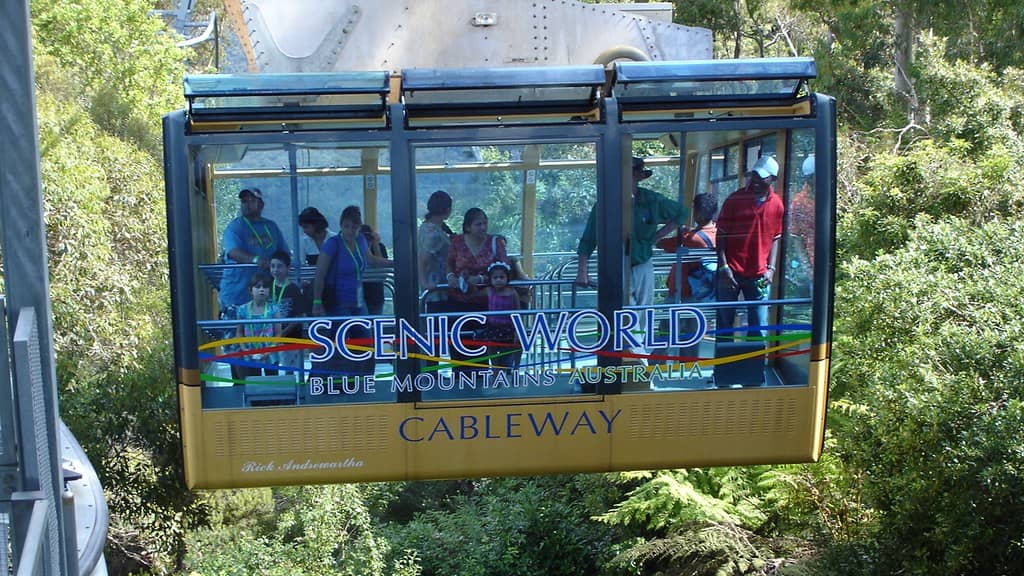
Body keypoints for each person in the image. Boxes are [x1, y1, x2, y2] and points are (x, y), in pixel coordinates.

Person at [575, 156, 688, 360]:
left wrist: (657, 236)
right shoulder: (605, 204)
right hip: (617, 266)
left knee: (643, 312)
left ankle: (636, 357)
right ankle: (636, 359)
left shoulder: (651, 200)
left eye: (633, 174)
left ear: (638, 176)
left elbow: (681, 214)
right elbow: (588, 239)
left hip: (643, 263)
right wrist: (582, 271)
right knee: (626, 312)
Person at [311, 206, 390, 375]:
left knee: (366, 339)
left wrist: (395, 262)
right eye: (346, 226)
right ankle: (332, 379)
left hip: (358, 301)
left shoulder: (361, 240)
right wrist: (317, 301)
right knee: (338, 343)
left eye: (354, 227)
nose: (350, 230)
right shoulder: (333, 244)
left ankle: (364, 378)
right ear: (341, 225)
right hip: (337, 302)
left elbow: (371, 260)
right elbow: (320, 273)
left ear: (359, 227)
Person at [716, 155, 785, 342]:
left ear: (772, 179)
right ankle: (724, 369)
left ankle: (755, 367)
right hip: (730, 272)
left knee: (758, 327)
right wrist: (724, 268)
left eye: (761, 177)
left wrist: (771, 269)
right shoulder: (734, 200)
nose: (755, 180)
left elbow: (776, 238)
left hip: (759, 275)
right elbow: (720, 236)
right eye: (754, 175)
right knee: (724, 326)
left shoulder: (777, 204)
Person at [446, 208, 508, 375]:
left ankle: (481, 377)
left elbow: (505, 270)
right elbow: (449, 263)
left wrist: (482, 279)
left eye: (484, 223)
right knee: (460, 341)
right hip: (459, 301)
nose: (483, 227)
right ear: (468, 227)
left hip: (487, 303)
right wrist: (451, 277)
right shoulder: (457, 242)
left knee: (483, 341)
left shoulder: (495, 243)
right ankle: (461, 377)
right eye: (478, 224)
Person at [656, 193, 718, 361]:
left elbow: (661, 243)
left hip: (680, 293)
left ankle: (653, 368)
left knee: (664, 335)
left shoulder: (691, 238)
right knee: (691, 338)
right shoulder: (716, 233)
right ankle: (687, 369)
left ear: (698, 212)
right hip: (700, 296)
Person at [219, 187, 289, 311]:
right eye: (244, 201)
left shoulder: (271, 226)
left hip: (265, 293)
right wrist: (257, 259)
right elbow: (233, 252)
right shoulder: (235, 227)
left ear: (261, 204)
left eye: (251, 201)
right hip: (237, 294)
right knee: (237, 328)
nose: (247, 205)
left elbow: (283, 253)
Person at [477, 261, 522, 371]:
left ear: (507, 278)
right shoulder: (489, 291)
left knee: (517, 345)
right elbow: (473, 294)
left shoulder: (512, 292)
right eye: (495, 277)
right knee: (491, 345)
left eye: (501, 277)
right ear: (490, 279)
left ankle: (516, 366)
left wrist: (518, 329)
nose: (498, 280)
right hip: (493, 325)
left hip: (509, 326)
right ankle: (495, 368)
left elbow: (517, 310)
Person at [234, 271, 280, 381]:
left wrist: (270, 350)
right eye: (258, 287)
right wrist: (244, 349)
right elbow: (239, 332)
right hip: (250, 353)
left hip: (270, 352)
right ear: (250, 290)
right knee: (254, 382)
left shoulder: (274, 309)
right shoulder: (242, 310)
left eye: (265, 287)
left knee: (272, 382)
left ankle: (273, 398)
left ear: (269, 290)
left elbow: (278, 333)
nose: (261, 289)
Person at [269, 250, 307, 376]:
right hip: (270, 336)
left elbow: (299, 316)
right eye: (273, 266)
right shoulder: (267, 287)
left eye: (279, 266)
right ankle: (271, 392)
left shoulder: (294, 289)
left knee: (289, 370)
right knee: (270, 366)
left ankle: (290, 393)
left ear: (288, 268)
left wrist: (282, 333)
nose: (275, 270)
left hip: (290, 336)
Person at [417, 190, 455, 312]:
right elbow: (423, 259)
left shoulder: (425, 227)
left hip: (437, 287)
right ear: (448, 210)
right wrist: (425, 284)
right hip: (436, 288)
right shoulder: (434, 234)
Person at [790, 155, 816, 269]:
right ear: (809, 178)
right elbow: (796, 236)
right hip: (813, 264)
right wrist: (808, 269)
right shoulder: (799, 202)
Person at [360, 223, 389, 315]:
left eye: (369, 237)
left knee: (375, 321)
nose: (366, 240)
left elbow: (383, 271)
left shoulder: (380, 247)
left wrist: (376, 246)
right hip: (360, 293)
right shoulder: (354, 248)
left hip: (376, 294)